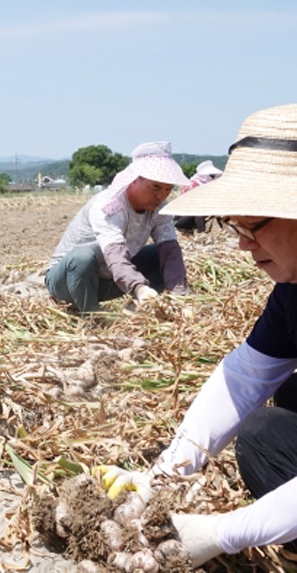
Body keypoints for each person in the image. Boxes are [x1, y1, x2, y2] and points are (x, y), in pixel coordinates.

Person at [99, 103, 297, 566]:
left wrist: (223, 532)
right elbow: (247, 374)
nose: (243, 242)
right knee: (271, 422)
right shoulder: (293, 287)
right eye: (236, 224)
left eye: (254, 223)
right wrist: (164, 475)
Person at [46, 142, 191, 314]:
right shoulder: (109, 205)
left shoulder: (160, 208)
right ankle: (92, 319)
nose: (161, 196)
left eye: (168, 189)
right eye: (155, 187)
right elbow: (115, 254)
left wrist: (180, 296)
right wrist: (139, 287)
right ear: (134, 181)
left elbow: (170, 251)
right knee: (82, 257)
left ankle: (147, 309)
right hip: (69, 282)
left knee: (160, 255)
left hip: (108, 281)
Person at [174, 160, 224, 233]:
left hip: (194, 217)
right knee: (198, 211)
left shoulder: (208, 187)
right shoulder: (193, 185)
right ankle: (202, 234)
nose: (212, 178)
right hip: (182, 219)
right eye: (210, 175)